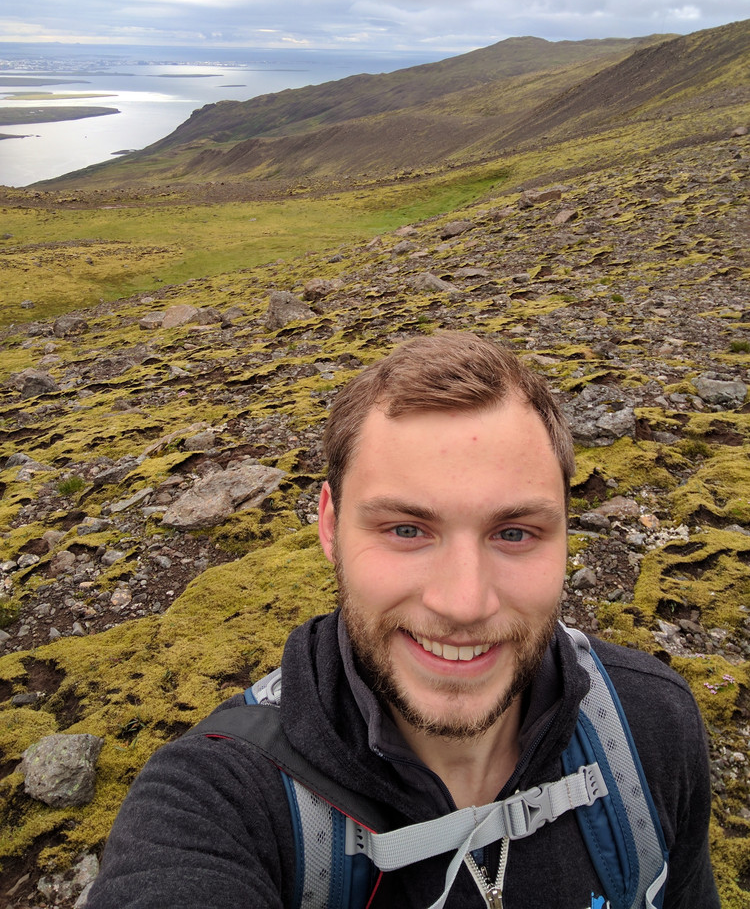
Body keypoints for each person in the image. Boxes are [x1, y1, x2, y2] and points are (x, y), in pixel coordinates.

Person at [86, 332, 718, 909]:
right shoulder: (214, 803)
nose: (463, 603)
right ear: (330, 526)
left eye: (515, 532)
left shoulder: (651, 726)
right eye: (407, 530)